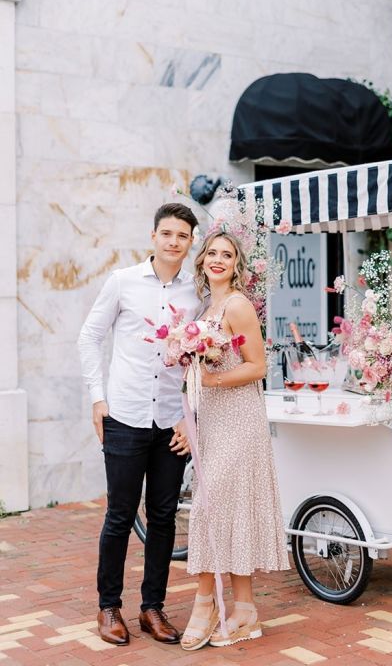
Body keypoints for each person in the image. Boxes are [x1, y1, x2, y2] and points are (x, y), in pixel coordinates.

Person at [77, 203, 200, 646]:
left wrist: (193, 419)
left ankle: (153, 608)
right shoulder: (122, 282)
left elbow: (202, 362)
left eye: (182, 236)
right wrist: (97, 397)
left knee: (164, 516)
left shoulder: (196, 293)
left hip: (171, 422)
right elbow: (90, 336)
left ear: (190, 242)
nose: (173, 242)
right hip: (125, 416)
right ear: (153, 236)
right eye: (166, 233)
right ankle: (109, 607)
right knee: (119, 514)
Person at [180, 229, 289, 652]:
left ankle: (204, 603)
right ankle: (244, 612)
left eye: (227, 254)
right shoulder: (208, 305)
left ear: (237, 263)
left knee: (209, 510)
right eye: (212, 253)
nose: (219, 260)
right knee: (232, 511)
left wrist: (211, 378)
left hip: (240, 420)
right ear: (203, 260)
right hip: (214, 421)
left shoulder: (238, 304)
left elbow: (258, 366)